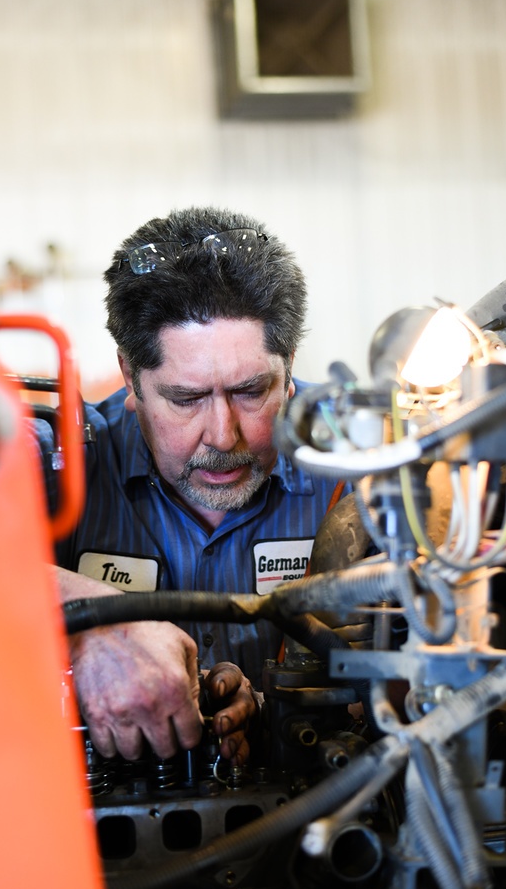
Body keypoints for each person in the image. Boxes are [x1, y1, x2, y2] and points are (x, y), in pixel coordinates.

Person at [38, 206, 345, 767]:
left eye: (252, 391)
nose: (222, 435)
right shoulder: (61, 463)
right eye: (185, 399)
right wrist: (92, 621)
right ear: (130, 377)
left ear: (290, 366)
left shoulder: (361, 462)